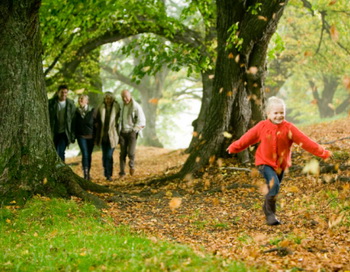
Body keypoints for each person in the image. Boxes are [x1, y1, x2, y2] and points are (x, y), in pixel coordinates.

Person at [226, 96, 331, 226]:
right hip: (264, 163)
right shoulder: (262, 126)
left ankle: (267, 207)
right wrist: (234, 147)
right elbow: (247, 138)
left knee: (274, 189)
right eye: (275, 113)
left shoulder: (289, 128)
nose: (279, 116)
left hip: (281, 165)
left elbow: (306, 142)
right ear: (268, 114)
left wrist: (323, 153)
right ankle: (270, 215)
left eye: (281, 113)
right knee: (274, 184)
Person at [119, 90, 146, 177]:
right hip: (122, 132)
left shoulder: (136, 106)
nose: (125, 99)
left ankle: (132, 166)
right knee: (122, 153)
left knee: (130, 152)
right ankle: (122, 172)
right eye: (123, 97)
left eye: (126, 96)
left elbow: (141, 120)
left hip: (132, 132)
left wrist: (134, 130)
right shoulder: (121, 105)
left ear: (130, 95)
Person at [94, 92, 120, 181]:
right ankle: (106, 173)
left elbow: (119, 121)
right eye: (106, 98)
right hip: (103, 135)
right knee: (104, 156)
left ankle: (109, 174)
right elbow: (96, 120)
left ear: (112, 99)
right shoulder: (101, 107)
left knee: (109, 155)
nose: (108, 100)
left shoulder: (117, 108)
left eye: (109, 98)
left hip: (112, 135)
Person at [48, 84, 76, 162]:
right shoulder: (51, 103)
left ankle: (61, 167)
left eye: (65, 92)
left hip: (65, 132)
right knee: (55, 151)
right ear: (58, 92)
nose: (64, 94)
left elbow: (73, 121)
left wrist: (72, 135)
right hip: (54, 131)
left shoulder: (71, 105)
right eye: (62, 92)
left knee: (61, 150)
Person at [75, 94, 95, 180]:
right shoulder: (76, 111)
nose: (80, 100)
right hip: (81, 136)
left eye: (82, 99)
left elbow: (97, 124)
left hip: (91, 136)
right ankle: (85, 174)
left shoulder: (92, 111)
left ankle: (88, 172)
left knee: (89, 155)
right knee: (85, 154)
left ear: (87, 101)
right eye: (79, 99)